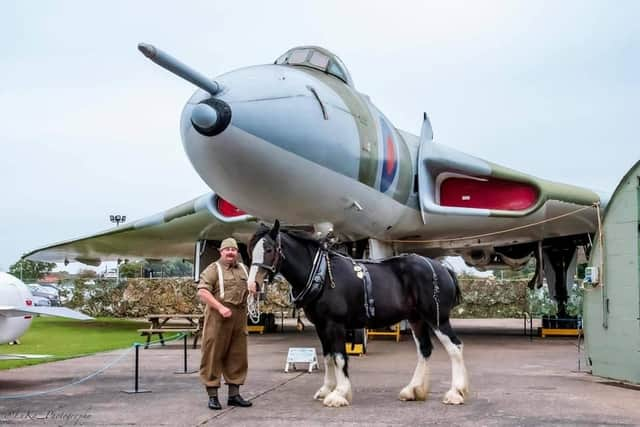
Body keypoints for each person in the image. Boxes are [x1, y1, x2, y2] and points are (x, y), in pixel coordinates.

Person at [197, 237, 255, 410]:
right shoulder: (213, 269)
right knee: (213, 354)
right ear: (221, 252)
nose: (231, 253)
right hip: (218, 317)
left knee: (238, 355)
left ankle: (234, 395)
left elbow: (251, 289)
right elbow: (202, 292)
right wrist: (220, 308)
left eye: (234, 250)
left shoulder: (244, 269)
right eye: (227, 250)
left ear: (237, 252)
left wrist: (255, 291)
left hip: (239, 316)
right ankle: (213, 395)